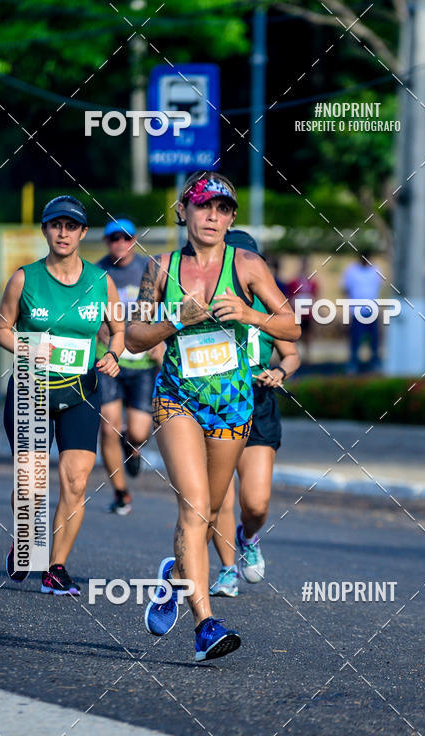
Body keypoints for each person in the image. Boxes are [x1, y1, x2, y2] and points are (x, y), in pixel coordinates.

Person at [125, 171, 300, 661]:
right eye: (204, 207)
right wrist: (179, 318)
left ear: (231, 218)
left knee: (206, 517)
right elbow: (134, 338)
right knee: (196, 507)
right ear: (182, 211)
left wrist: (249, 316)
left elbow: (292, 326)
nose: (213, 217)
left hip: (233, 404)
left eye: (223, 209)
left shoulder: (246, 265)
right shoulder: (160, 268)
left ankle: (173, 577)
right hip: (177, 398)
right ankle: (206, 626)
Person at [0, 195, 123, 595]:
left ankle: (56, 566)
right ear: (46, 230)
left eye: (71, 226)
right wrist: (27, 347)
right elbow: (0, 330)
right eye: (55, 225)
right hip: (31, 388)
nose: (63, 232)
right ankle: (25, 538)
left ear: (83, 233)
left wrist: (114, 354)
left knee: (77, 482)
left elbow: (118, 330)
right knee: (30, 485)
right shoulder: (24, 278)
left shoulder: (101, 281)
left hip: (81, 389)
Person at [209, 231, 300, 597]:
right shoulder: (207, 304)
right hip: (214, 404)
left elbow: (292, 353)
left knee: (256, 503)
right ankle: (227, 569)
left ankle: (248, 537)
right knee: (219, 499)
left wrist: (280, 371)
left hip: (258, 404)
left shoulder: (268, 311)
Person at [96, 217, 163, 516]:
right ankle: (121, 492)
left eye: (125, 238)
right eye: (114, 239)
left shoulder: (148, 270)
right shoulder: (97, 273)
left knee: (138, 431)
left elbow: (165, 306)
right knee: (108, 426)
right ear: (106, 242)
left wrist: (160, 339)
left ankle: (133, 446)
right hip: (108, 358)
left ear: (134, 240)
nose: (120, 244)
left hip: (142, 360)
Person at [341, 250, 382, 373]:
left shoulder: (376, 270)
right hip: (357, 311)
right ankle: (354, 363)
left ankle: (374, 363)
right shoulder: (351, 271)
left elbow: (378, 288)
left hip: (372, 311)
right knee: (356, 338)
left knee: (374, 339)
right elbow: (345, 289)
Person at [287, 255, 319, 361]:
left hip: (308, 312)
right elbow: (290, 296)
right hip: (297, 312)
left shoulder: (312, 282)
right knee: (295, 335)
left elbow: (315, 296)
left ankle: (307, 356)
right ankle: (295, 355)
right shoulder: (294, 282)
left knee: (307, 334)